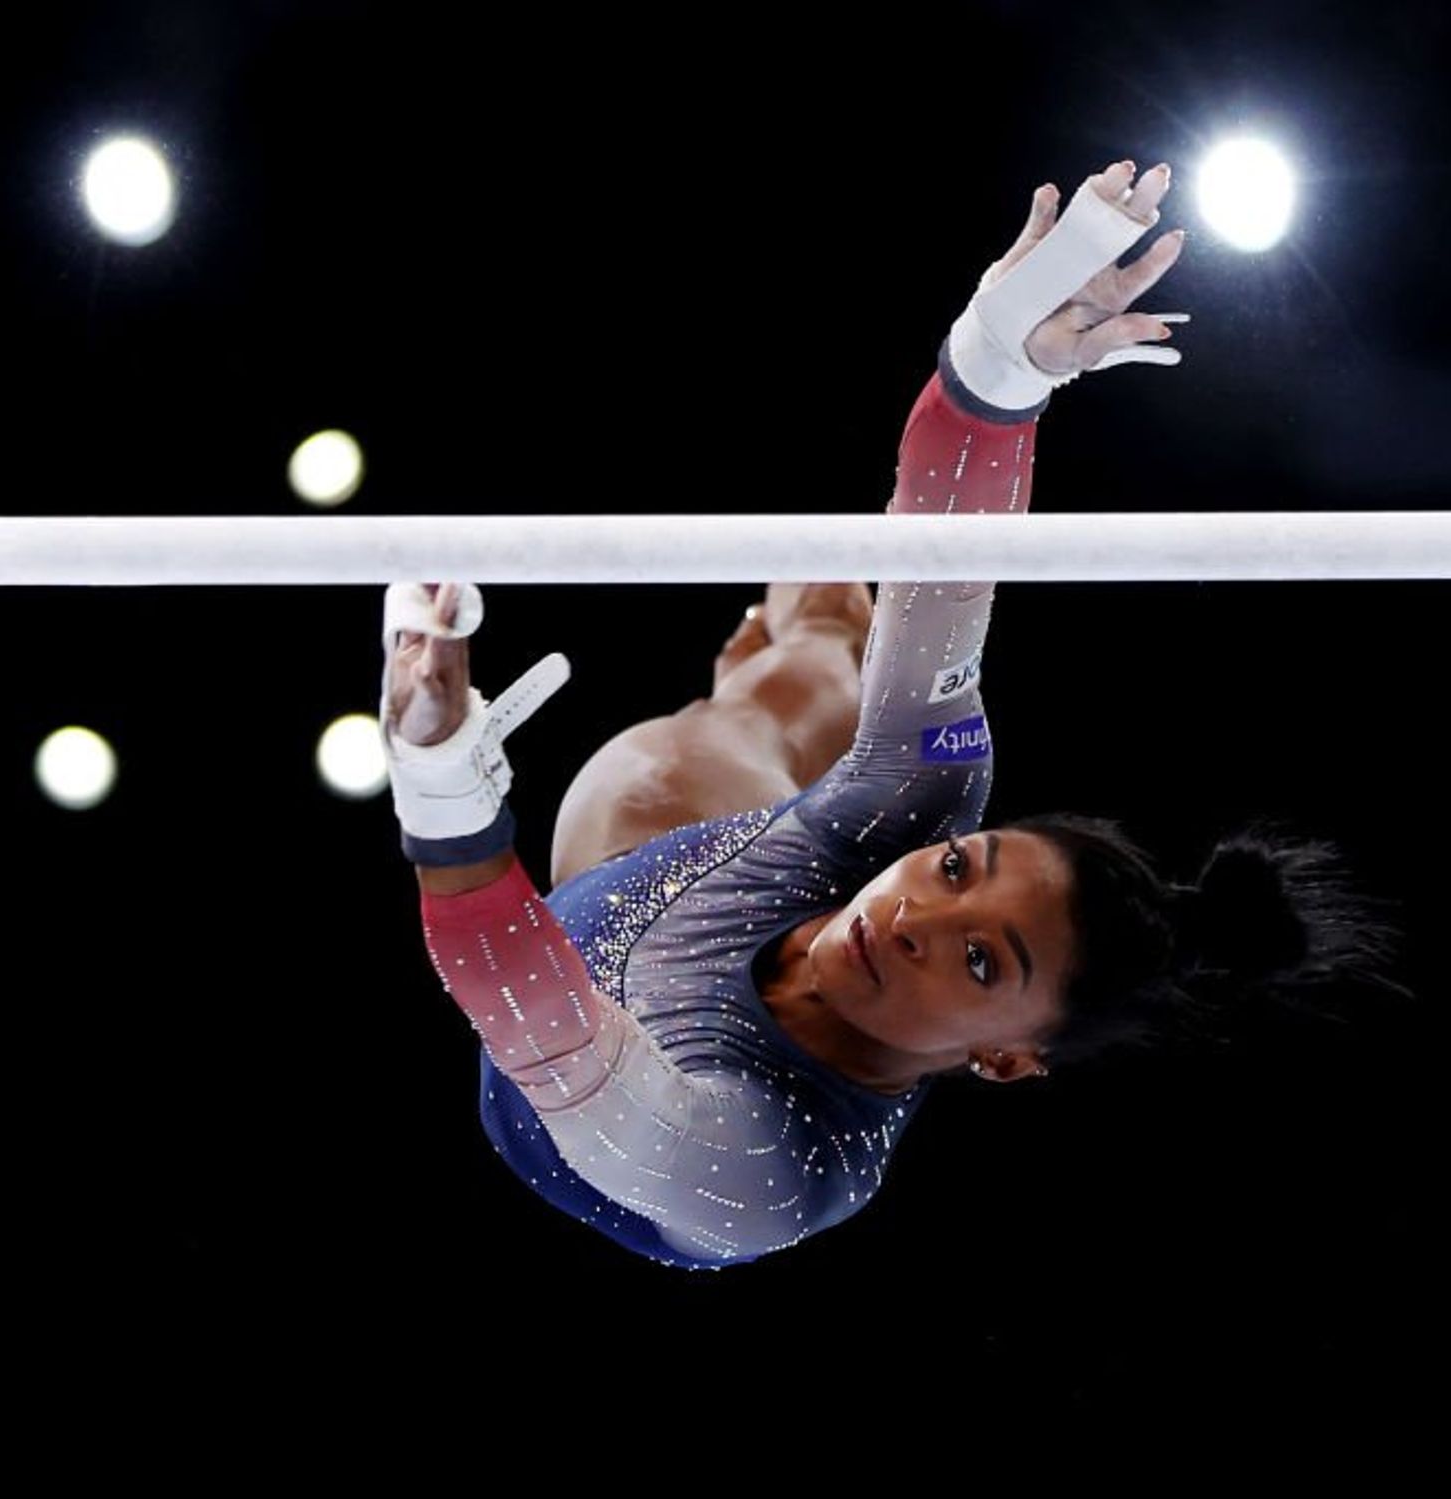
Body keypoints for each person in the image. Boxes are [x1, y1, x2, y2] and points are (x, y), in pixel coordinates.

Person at [379, 158, 1399, 1269]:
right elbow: (942, 567)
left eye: (978, 965)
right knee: (837, 684)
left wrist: (444, 789)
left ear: (1004, 1058)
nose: (918, 915)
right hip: (721, 857)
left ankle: (803, 662)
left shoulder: (765, 1171)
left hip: (582, 1007)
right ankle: (818, 645)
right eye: (958, 869)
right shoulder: (917, 815)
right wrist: (994, 371)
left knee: (654, 770)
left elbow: (541, 1034)